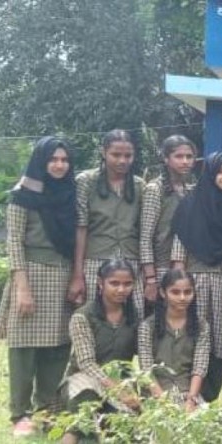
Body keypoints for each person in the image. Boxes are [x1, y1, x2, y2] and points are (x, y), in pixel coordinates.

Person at [0, 136, 77, 436]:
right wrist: (22, 286)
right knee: (23, 347)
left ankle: (47, 409)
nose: (59, 165)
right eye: (53, 159)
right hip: (30, 275)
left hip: (63, 275)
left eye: (64, 160)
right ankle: (20, 414)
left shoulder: (71, 194)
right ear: (40, 162)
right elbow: (14, 241)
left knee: (57, 346)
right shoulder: (22, 195)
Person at [171, 152, 222, 401]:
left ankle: (209, 399)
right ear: (211, 173)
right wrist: (179, 288)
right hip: (193, 282)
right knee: (192, 339)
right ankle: (186, 397)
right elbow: (179, 249)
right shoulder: (191, 203)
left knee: (221, 344)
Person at [59, 259, 140, 444]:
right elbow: (86, 363)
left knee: (125, 427)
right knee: (87, 397)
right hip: (83, 379)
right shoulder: (82, 317)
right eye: (114, 283)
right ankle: (70, 436)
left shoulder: (134, 316)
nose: (121, 289)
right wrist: (118, 391)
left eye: (127, 284)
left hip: (121, 381)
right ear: (100, 282)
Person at [68, 130, 147, 315]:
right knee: (92, 316)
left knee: (133, 317)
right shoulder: (86, 181)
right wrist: (78, 274)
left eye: (128, 155)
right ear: (103, 153)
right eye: (116, 155)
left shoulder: (140, 186)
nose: (122, 161)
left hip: (131, 261)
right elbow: (81, 227)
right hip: (94, 260)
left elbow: (145, 231)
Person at [138, 269, 210, 411]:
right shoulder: (147, 326)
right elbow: (146, 370)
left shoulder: (201, 326)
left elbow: (199, 368)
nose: (182, 298)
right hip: (156, 394)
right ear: (163, 293)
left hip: (188, 393)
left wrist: (191, 400)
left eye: (188, 292)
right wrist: (164, 404)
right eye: (175, 292)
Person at [140, 135, 196, 304]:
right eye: (179, 156)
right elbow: (145, 237)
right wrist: (151, 278)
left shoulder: (190, 190)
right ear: (166, 158)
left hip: (185, 266)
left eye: (189, 157)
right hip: (160, 267)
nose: (185, 161)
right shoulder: (154, 189)